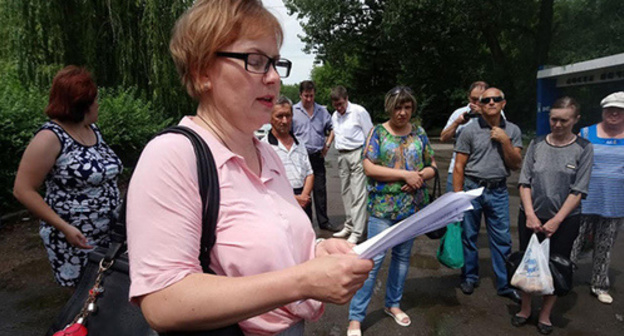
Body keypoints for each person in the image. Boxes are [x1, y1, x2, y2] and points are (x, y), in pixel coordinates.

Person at [125, 1, 373, 335]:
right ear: (202, 71)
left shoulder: (267, 155)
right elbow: (162, 301)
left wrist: (317, 250)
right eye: (255, 61)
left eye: (275, 62)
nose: (273, 78)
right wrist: (302, 281)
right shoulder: (172, 155)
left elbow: (278, 240)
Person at [13, 66, 122, 287]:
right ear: (81, 104)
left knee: (108, 294)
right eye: (94, 100)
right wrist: (63, 227)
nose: (98, 105)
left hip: (109, 231)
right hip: (75, 237)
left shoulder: (92, 130)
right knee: (84, 298)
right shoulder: (50, 138)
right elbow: (23, 189)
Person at [347, 86, 437, 336]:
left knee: (401, 259)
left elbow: (432, 165)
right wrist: (404, 174)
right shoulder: (378, 132)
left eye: (407, 107)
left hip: (411, 209)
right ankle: (356, 317)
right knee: (372, 262)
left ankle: (393, 304)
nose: (402, 112)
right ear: (390, 108)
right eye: (398, 107)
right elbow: (369, 168)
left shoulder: (418, 133)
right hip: (382, 209)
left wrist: (419, 176)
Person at [514, 97, 593, 335]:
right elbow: (524, 182)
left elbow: (579, 190)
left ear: (576, 120)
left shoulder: (583, 148)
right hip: (530, 216)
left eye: (564, 120)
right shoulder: (537, 145)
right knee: (528, 263)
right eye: (553, 119)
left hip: (565, 220)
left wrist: (556, 220)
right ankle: (525, 308)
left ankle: (546, 313)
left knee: (555, 266)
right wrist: (530, 214)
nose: (557, 125)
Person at [453, 87, 522, 302]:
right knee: (469, 236)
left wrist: (505, 141)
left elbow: (516, 164)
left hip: (498, 190)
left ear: (503, 103)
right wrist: (458, 196)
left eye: (496, 99)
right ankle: (470, 276)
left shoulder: (512, 130)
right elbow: (459, 166)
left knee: (502, 239)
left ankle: (504, 284)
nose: (491, 102)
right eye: (486, 100)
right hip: (473, 188)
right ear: (480, 105)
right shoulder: (469, 130)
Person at [571, 91, 624, 305]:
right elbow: (575, 164)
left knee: (604, 245)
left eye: (619, 110)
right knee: (574, 241)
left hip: (615, 202)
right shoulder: (586, 132)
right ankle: (562, 278)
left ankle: (599, 285)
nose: (614, 113)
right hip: (584, 199)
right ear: (603, 110)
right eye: (610, 109)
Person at [329, 86, 373, 244]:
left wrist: (368, 158)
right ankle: (349, 225)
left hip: (357, 153)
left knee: (358, 194)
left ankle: (358, 231)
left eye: (341, 104)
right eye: (336, 105)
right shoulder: (335, 115)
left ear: (346, 99)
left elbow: (370, 134)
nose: (339, 108)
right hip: (342, 155)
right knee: (346, 193)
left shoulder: (358, 112)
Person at [292, 80, 338, 232]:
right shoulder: (294, 111)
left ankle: (324, 222)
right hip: (300, 158)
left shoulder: (322, 112)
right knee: (304, 191)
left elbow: (333, 128)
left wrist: (328, 144)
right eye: (306, 96)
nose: (309, 99)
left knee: (320, 190)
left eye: (311, 96)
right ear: (300, 95)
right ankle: (306, 223)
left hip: (317, 156)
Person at [263, 96, 314, 219]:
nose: (285, 121)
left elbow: (309, 173)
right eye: (279, 116)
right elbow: (264, 184)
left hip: (303, 201)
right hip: (279, 203)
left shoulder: (300, 143)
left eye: (288, 116)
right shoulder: (264, 146)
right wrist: (293, 199)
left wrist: (303, 197)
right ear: (270, 118)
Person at [440, 81, 488, 191]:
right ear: (468, 97)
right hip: (457, 170)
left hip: (483, 173)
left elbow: (503, 133)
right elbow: (443, 137)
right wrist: (457, 123)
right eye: (473, 99)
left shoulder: (495, 114)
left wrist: (483, 114)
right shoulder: (459, 113)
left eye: (480, 100)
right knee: (455, 206)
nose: (476, 103)